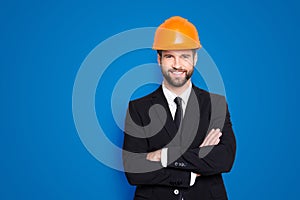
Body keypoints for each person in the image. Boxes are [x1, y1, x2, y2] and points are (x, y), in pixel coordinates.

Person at [122, 16, 236, 200]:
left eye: (184, 56)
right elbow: (134, 170)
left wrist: (163, 155)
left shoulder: (215, 105)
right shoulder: (138, 108)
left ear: (195, 59)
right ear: (159, 59)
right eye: (169, 56)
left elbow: (224, 159)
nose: (177, 64)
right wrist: (191, 171)